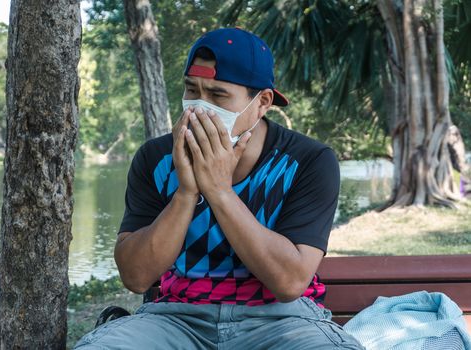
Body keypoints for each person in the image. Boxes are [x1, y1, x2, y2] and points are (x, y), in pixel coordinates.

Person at [75, 27, 365, 350]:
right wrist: (186, 193)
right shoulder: (155, 159)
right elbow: (135, 276)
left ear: (261, 102)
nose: (200, 108)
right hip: (177, 318)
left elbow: (290, 281)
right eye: (192, 90)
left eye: (217, 95)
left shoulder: (308, 162)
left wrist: (220, 191)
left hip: (283, 320)